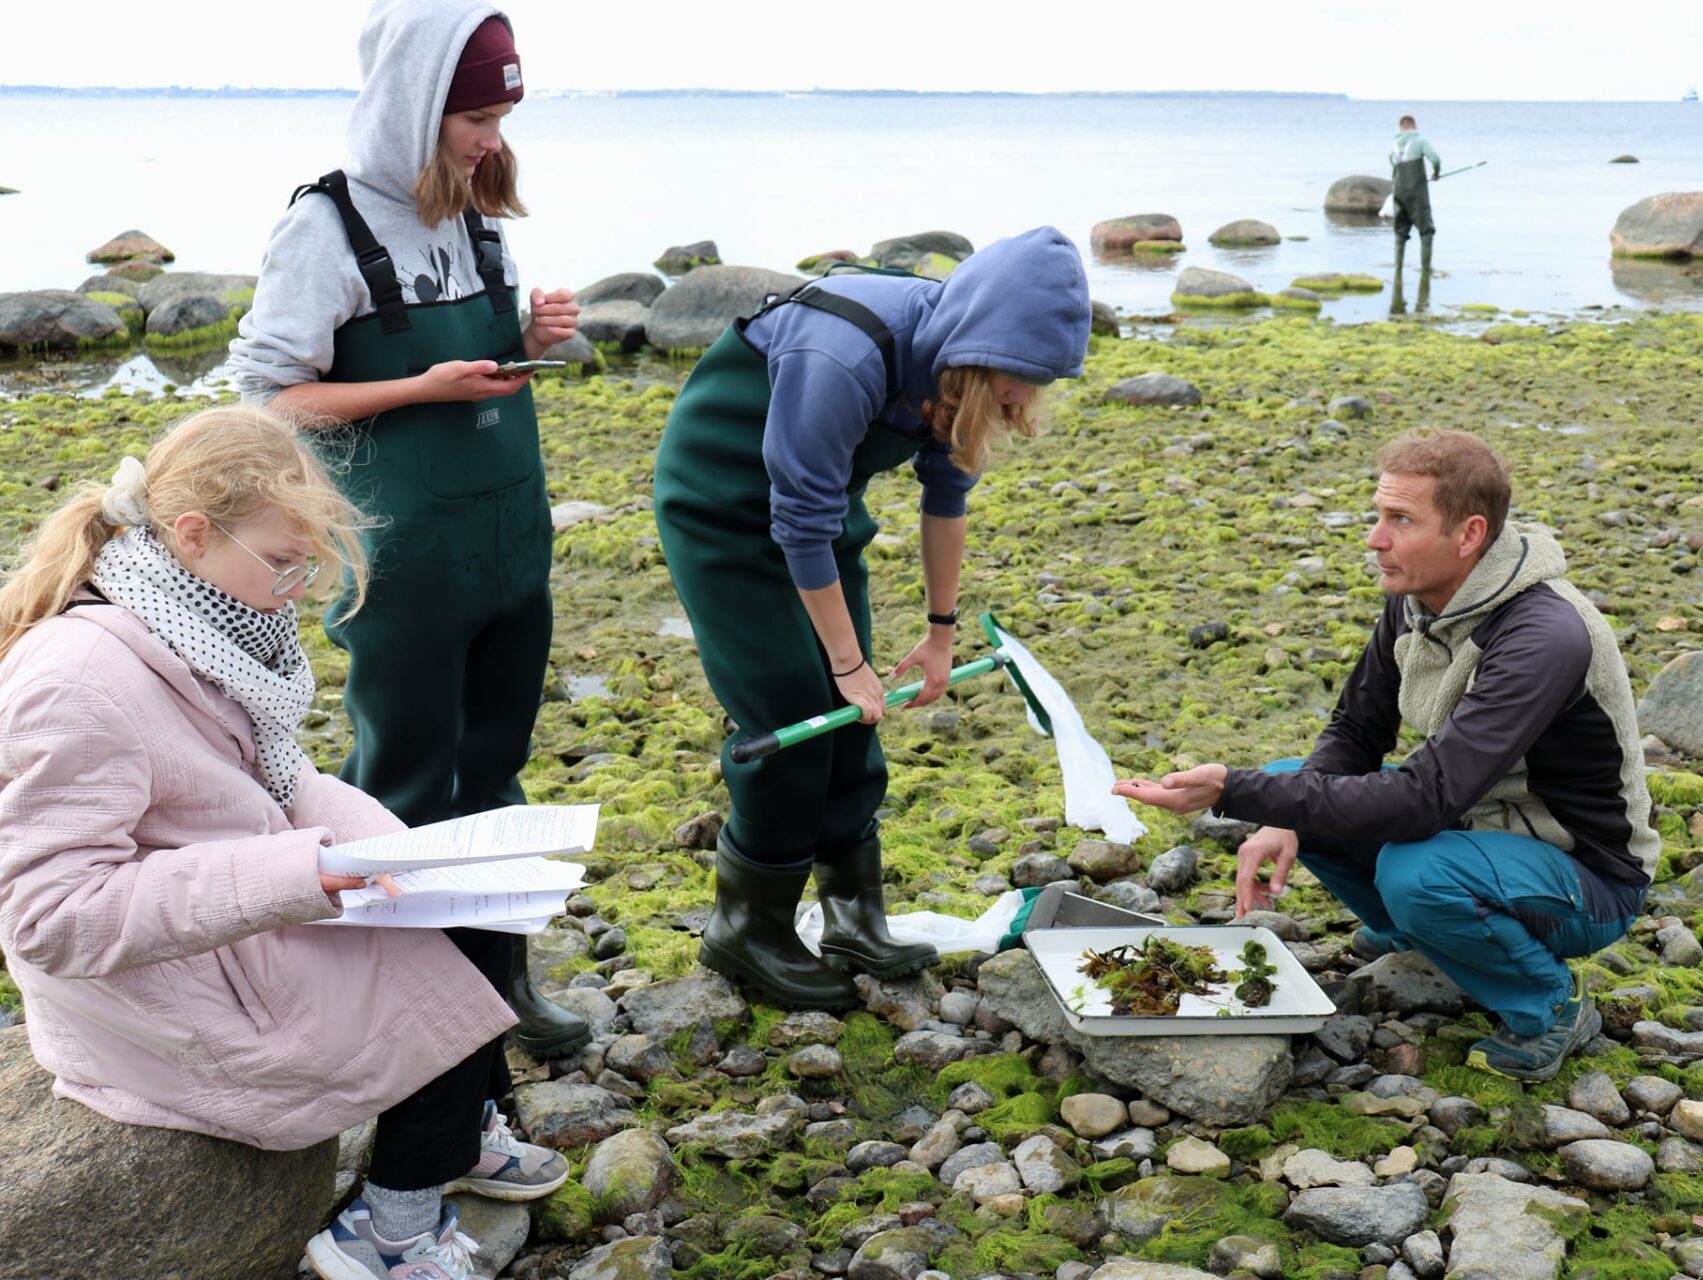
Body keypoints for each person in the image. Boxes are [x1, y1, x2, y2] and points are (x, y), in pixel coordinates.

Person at [0, 406, 567, 1280]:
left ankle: (459, 1132)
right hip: (155, 993)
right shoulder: (78, 681)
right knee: (446, 951)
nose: (299, 587)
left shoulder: (194, 613)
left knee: (479, 910)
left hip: (222, 928)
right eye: (284, 561)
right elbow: (50, 921)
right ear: (192, 532)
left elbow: (279, 778)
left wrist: (409, 855)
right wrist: (301, 873)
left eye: (309, 563)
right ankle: (390, 1231)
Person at [226, 0, 588, 1058]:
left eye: (500, 118)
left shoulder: (477, 212)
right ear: (413, 108)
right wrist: (419, 387)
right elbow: (267, 398)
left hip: (511, 547)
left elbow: (484, 367)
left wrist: (531, 339)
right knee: (402, 785)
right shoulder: (324, 228)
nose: (491, 140)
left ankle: (499, 988)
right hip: (402, 558)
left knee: (497, 771)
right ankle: (402, 1016)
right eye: (474, 118)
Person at [1115, 429, 1658, 1082]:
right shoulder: (1416, 599)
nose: (1375, 539)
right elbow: (1355, 731)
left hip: (1589, 876)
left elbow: (1424, 800)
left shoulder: (1544, 636)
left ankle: (1549, 1002)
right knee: (1295, 787)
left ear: (1469, 534)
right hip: (1479, 825)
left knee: (1416, 874)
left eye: (1400, 520)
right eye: (1378, 515)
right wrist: (1282, 814)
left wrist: (1232, 789)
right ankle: (1433, 940)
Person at [653, 229, 1091, 1011]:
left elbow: (945, 498)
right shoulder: (844, 354)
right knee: (795, 717)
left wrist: (940, 634)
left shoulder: (959, 368)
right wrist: (848, 664)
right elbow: (797, 520)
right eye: (1018, 379)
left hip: (819, 519)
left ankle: (855, 919)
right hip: (723, 511)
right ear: (980, 345)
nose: (1022, 398)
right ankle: (747, 930)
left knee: (857, 721)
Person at [1390, 113, 1441, 274]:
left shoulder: (1394, 145)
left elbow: (1392, 163)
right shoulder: (1420, 141)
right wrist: (1436, 173)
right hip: (1417, 193)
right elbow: (1435, 159)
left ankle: (1398, 271)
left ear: (1401, 127)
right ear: (1415, 126)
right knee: (1426, 231)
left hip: (1398, 191)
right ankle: (1426, 270)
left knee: (1400, 231)